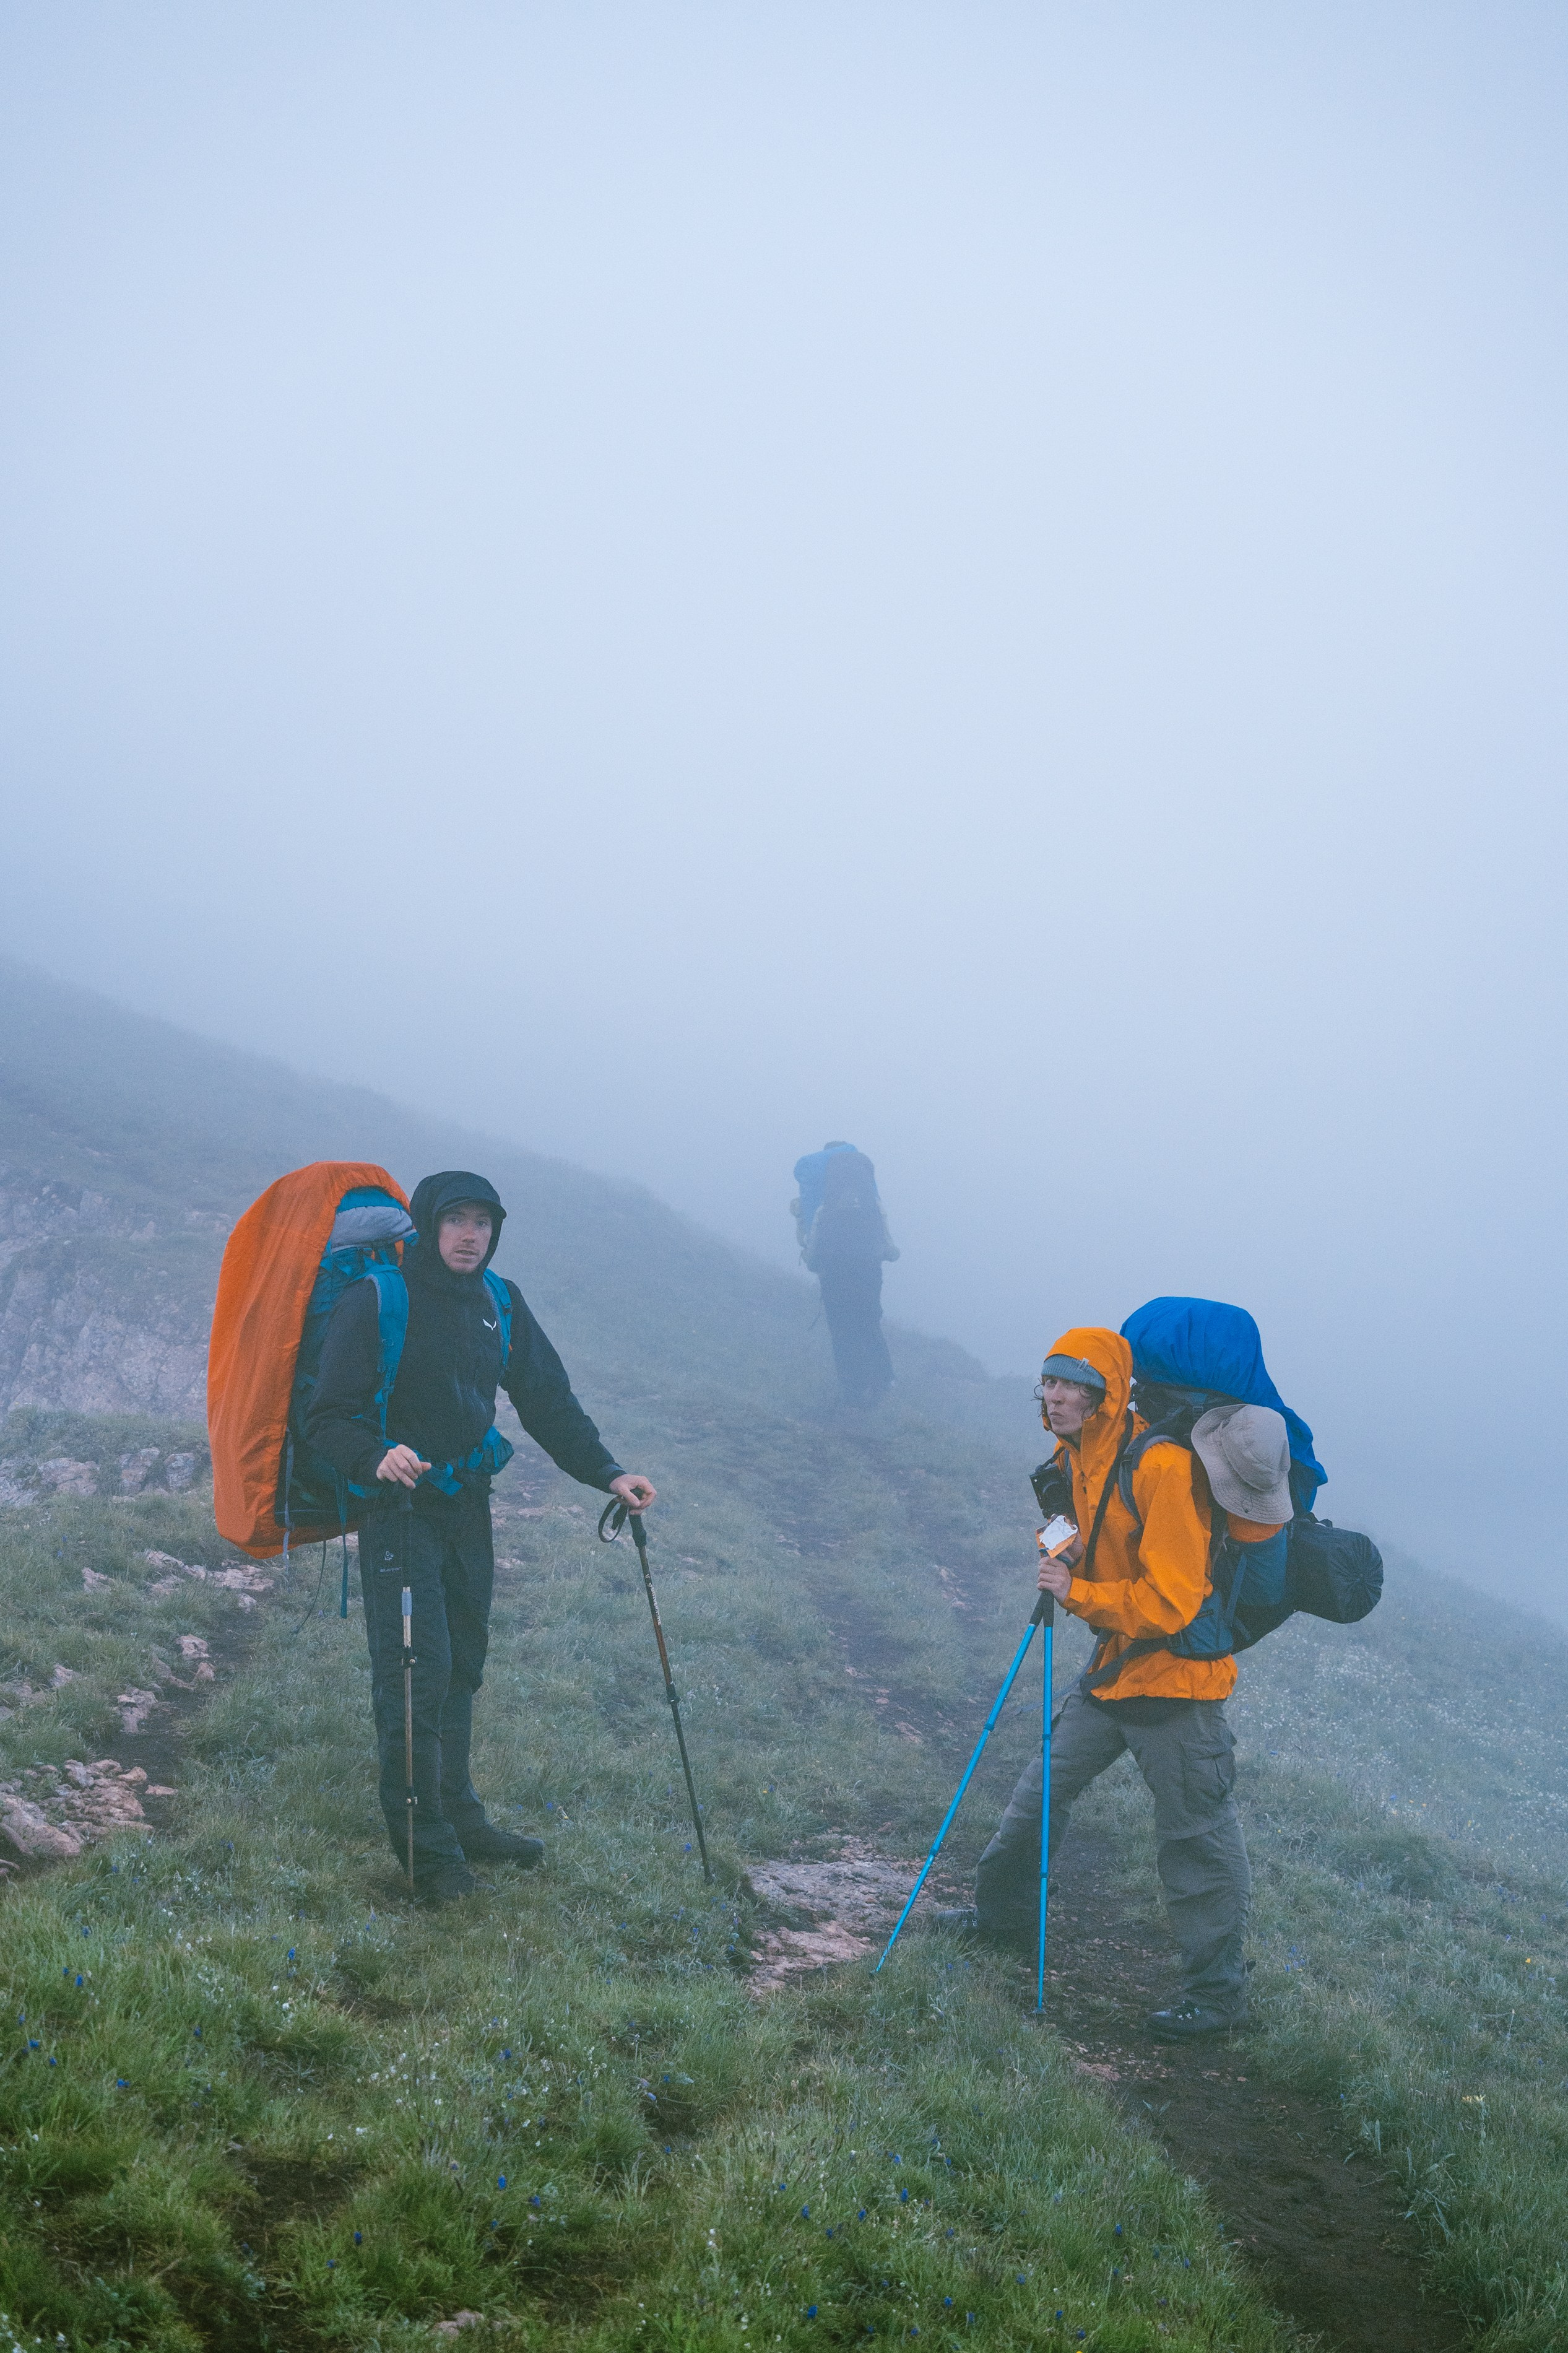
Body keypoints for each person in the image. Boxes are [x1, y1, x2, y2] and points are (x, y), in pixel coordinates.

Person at [306, 1169, 655, 1905]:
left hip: (467, 1506)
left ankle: (460, 1817)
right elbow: (328, 1414)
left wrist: (608, 1472)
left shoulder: (499, 1300)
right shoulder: (377, 1300)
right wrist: (374, 1454)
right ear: (429, 1224)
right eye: (457, 1220)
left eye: (484, 1222)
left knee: (461, 1664)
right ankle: (425, 1852)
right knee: (413, 1674)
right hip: (397, 1512)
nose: (471, 1235)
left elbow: (546, 1397)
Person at [937, 1325, 1291, 2040]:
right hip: (1112, 1669)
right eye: (1050, 1379)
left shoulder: (1159, 1466)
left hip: (1179, 1683)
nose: (1057, 1393)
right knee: (1035, 1798)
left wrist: (1078, 1593)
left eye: (1075, 1384)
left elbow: (1172, 1601)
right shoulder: (1073, 1456)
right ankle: (1004, 1922)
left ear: (1109, 1394)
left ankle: (1216, 1997)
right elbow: (1074, 1533)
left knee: (1196, 1841)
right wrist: (1057, 1551)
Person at [790, 1142, 899, 1404]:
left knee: (841, 1326)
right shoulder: (871, 1205)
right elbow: (888, 1244)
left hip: (834, 1272)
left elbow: (814, 1244)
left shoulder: (825, 1207)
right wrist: (888, 1253)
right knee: (869, 1320)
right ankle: (883, 1381)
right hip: (869, 1270)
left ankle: (852, 1387)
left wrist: (813, 1260)